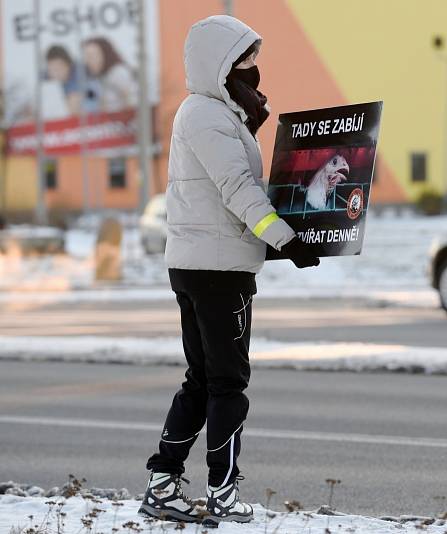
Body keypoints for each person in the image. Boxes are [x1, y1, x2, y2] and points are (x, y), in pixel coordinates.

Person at [138, 15, 319, 527]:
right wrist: (285, 237)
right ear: (218, 65)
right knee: (227, 384)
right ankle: (222, 492)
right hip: (218, 272)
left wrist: (277, 236)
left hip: (200, 264)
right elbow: (237, 188)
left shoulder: (208, 114)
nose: (253, 72)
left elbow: (231, 195)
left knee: (202, 380)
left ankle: (162, 482)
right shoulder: (209, 117)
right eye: (244, 62)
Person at [82, 36, 135, 112]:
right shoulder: (97, 78)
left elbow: (132, 101)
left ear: (105, 54)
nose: (87, 61)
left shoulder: (118, 72)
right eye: (86, 57)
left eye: (91, 56)